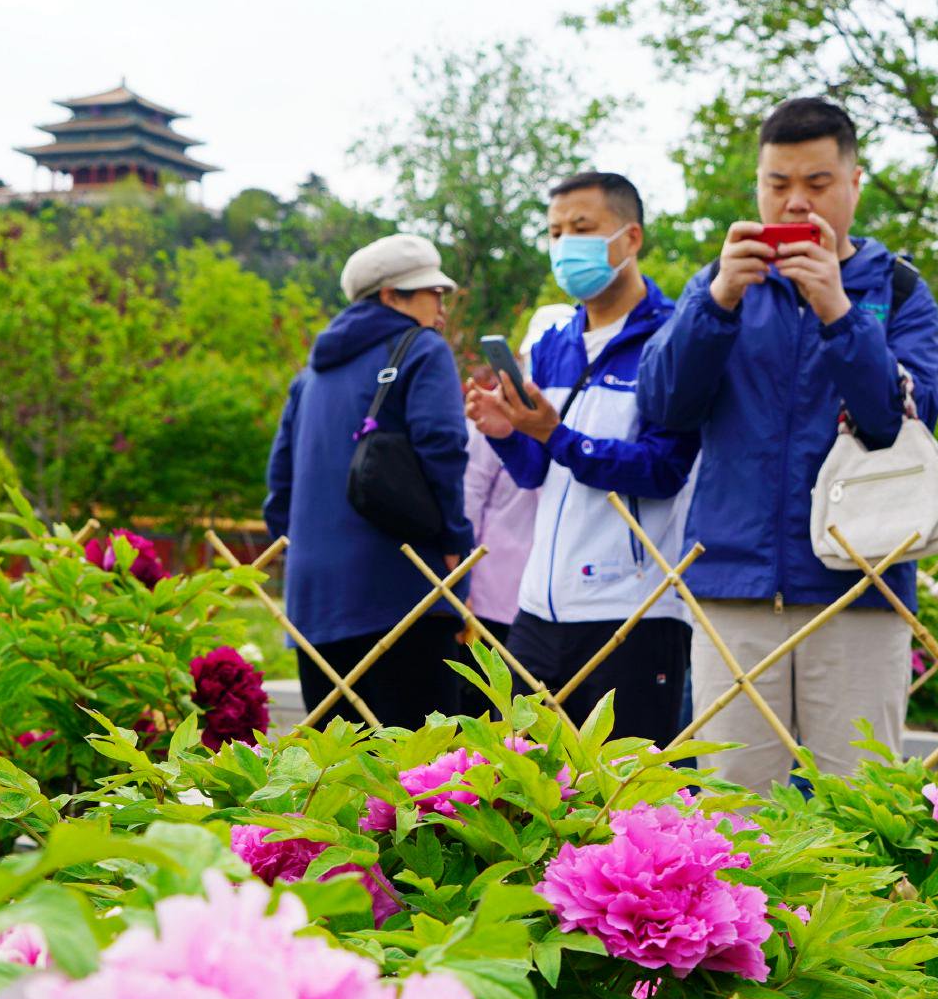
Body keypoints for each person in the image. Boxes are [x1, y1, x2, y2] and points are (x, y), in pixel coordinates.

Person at [640, 98, 938, 786]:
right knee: (734, 810)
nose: (796, 202)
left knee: (862, 806)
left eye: (817, 182)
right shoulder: (719, 284)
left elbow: (900, 422)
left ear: (855, 184)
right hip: (734, 585)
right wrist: (717, 302)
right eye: (777, 184)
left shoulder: (898, 290)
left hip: (861, 586)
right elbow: (661, 406)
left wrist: (838, 310)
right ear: (757, 187)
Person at [467, 173, 697, 741]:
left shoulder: (671, 341)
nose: (565, 244)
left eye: (582, 227)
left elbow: (664, 469)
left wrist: (558, 436)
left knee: (622, 787)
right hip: (538, 607)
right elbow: (534, 471)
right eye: (555, 232)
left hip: (633, 609)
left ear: (630, 237)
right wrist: (507, 433)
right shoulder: (555, 342)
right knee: (518, 777)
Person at [264, 234, 472, 729]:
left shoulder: (308, 378)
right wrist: (454, 543)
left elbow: (279, 493)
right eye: (433, 293)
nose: (442, 309)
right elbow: (443, 447)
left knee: (335, 766)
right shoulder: (422, 350)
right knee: (419, 766)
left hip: (314, 605)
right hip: (403, 591)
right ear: (391, 295)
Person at [461, 305, 572, 641]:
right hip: (495, 589)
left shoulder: (580, 416)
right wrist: (461, 579)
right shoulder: (496, 415)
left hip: (560, 591)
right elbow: (470, 495)